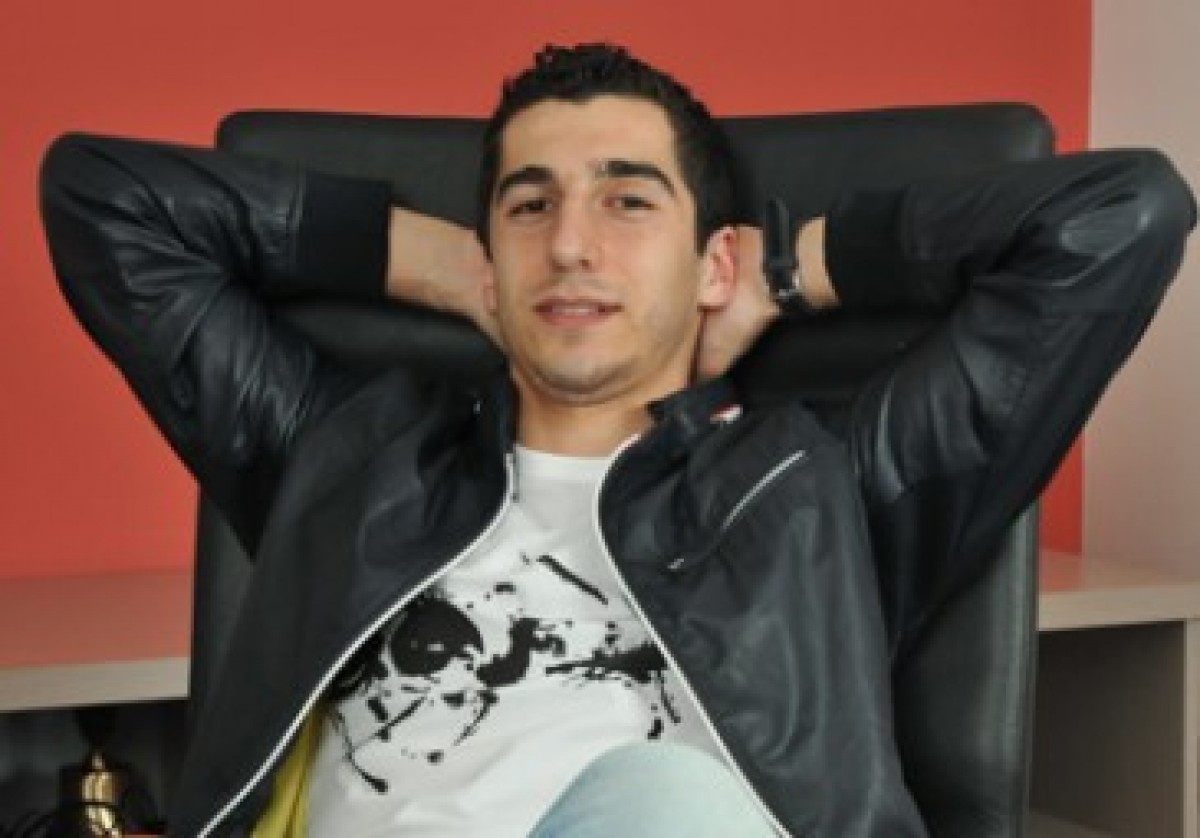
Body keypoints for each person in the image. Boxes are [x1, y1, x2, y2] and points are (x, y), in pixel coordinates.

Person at [40, 43, 1193, 838]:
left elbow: (1121, 217)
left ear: (714, 260)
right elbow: (100, 198)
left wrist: (789, 273)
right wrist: (441, 264)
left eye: (628, 201)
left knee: (665, 799)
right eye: (530, 204)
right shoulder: (347, 456)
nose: (571, 245)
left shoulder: (817, 488)